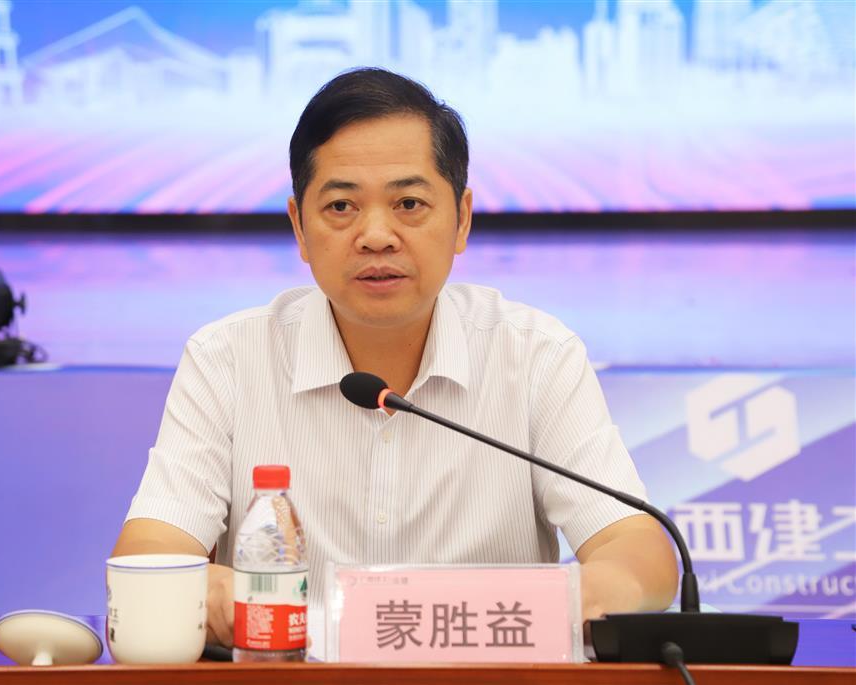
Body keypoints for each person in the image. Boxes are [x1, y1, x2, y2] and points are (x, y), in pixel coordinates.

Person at [112, 68, 678, 648]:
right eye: (341, 206)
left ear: (461, 219)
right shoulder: (227, 360)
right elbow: (149, 553)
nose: (376, 235)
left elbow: (638, 553)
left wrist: (574, 597)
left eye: (409, 203)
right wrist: (219, 592)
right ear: (299, 228)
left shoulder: (535, 355)